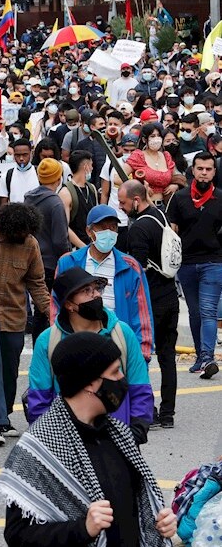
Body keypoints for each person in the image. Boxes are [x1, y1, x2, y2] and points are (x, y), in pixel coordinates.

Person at [0, 332, 178, 546]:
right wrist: (83, 529)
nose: (122, 379)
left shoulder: (119, 433)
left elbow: (133, 508)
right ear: (90, 383)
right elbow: (17, 535)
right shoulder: (39, 448)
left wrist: (159, 522)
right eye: (115, 371)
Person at [27, 268, 153, 442]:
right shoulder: (48, 341)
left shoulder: (123, 333)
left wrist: (136, 431)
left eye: (96, 288)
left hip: (121, 437)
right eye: (87, 291)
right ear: (69, 304)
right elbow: (39, 399)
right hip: (68, 442)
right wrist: (52, 441)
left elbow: (140, 387)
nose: (96, 295)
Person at [0, 203, 52, 446]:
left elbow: (37, 282)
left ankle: (3, 416)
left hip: (14, 317)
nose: (22, 237)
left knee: (9, 370)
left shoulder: (30, 244)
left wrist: (52, 314)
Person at [54, 205, 154, 362]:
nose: (109, 232)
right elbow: (55, 306)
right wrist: (59, 346)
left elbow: (142, 315)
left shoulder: (131, 267)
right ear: (89, 231)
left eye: (113, 227)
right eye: (102, 227)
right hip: (76, 346)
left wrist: (142, 357)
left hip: (118, 347)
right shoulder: (68, 262)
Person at [119, 179, 180, 427]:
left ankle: (148, 411)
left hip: (150, 300)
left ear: (136, 200)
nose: (121, 207)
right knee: (167, 356)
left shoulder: (138, 229)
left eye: (123, 203)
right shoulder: (161, 216)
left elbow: (137, 269)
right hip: (170, 295)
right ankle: (168, 414)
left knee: (140, 355)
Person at [165, 152, 222, 377]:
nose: (204, 173)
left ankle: (208, 357)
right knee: (195, 313)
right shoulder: (179, 198)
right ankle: (200, 357)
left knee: (208, 311)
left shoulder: (220, 198)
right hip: (186, 264)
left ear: (214, 172)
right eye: (200, 169)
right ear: (193, 170)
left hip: (213, 262)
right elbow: (171, 231)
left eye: (208, 169)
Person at [25, 158, 70, 339]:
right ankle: (48, 346)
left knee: (38, 308)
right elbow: (60, 240)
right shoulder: (55, 203)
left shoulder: (28, 198)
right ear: (58, 179)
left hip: (30, 259)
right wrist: (67, 259)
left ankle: (38, 346)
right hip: (50, 264)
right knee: (49, 308)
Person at [0, 138, 39, 204]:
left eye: (25, 155)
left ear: (31, 153)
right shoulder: (6, 176)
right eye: (17, 155)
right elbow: (3, 204)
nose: (21, 158)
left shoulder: (40, 174)